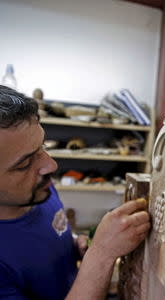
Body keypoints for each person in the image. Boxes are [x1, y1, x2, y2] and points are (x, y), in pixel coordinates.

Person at [0, 85, 151, 299]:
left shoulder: (39, 189)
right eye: (24, 164)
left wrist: (74, 245)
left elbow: (43, 238)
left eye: (42, 147)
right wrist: (101, 254)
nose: (51, 165)